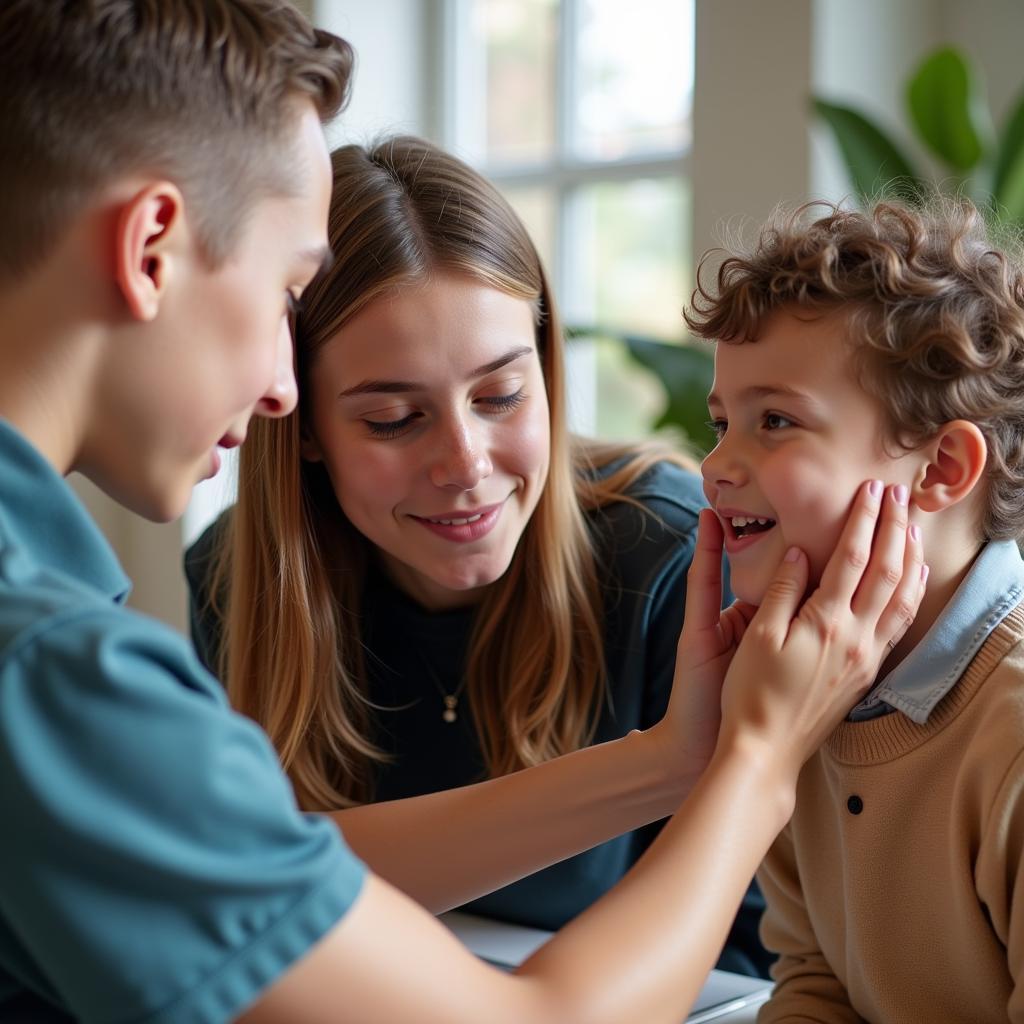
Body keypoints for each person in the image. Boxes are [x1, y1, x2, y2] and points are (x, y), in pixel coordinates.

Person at [0, 2, 924, 1022]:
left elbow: (269, 863)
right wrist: (756, 758)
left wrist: (675, 761)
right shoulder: (51, 669)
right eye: (283, 291)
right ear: (151, 247)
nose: (278, 385)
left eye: (498, 392)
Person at [185, 134, 770, 973]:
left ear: (548, 371)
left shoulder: (671, 556)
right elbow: (239, 895)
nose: (465, 465)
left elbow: (753, 950)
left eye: (500, 395)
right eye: (393, 418)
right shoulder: (236, 581)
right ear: (303, 424)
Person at [686, 197, 1024, 1023]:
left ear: (941, 467)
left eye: (775, 421)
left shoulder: (1010, 731)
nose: (717, 465)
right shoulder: (800, 686)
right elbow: (814, 980)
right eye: (722, 421)